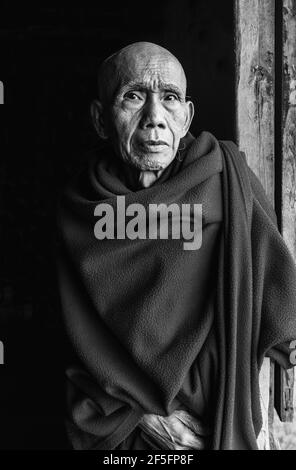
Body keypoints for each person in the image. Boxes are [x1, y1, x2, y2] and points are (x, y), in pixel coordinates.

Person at [56, 41, 296, 450]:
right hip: (124, 428)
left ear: (187, 117)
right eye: (133, 97)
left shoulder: (221, 175)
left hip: (218, 420)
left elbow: (276, 286)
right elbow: (75, 336)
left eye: (170, 99)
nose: (155, 119)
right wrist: (147, 414)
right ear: (100, 119)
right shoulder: (81, 208)